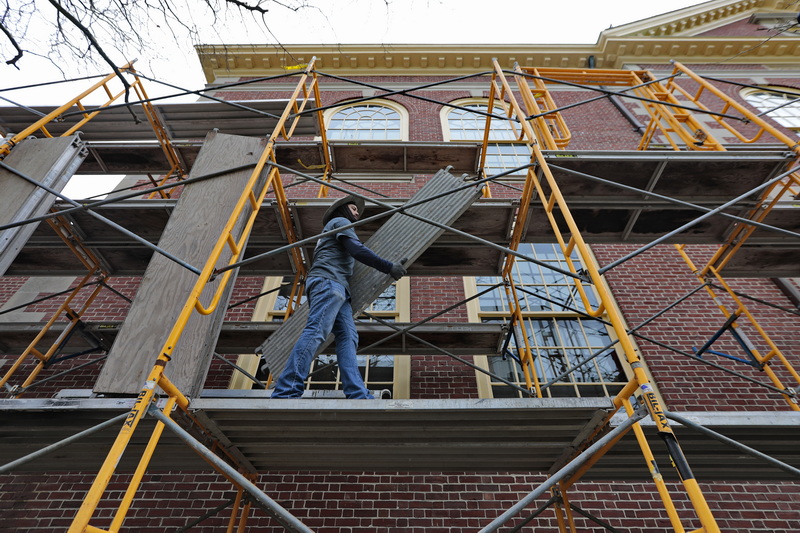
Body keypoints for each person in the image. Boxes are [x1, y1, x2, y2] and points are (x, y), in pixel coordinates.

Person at [270, 194, 407, 399]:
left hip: (338, 287)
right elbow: (356, 250)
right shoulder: (339, 221)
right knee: (316, 331)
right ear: (341, 210)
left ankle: (357, 393)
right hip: (328, 282)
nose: (357, 212)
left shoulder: (334, 228)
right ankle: (287, 389)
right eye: (353, 208)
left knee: (348, 336)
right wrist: (389, 267)